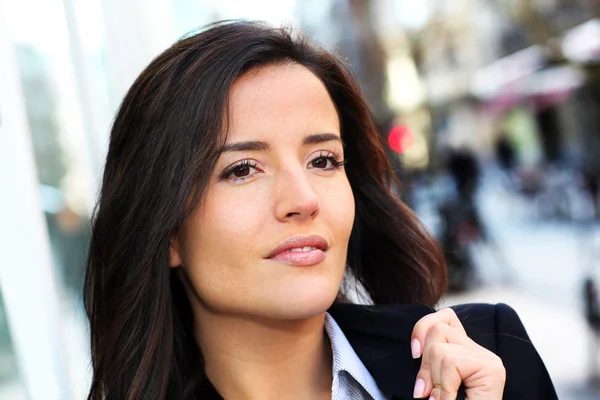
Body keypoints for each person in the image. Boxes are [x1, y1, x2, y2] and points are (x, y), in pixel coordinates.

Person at [83, 21, 557, 400]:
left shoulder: (483, 359)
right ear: (166, 233)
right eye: (243, 169)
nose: (303, 199)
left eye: (323, 161)